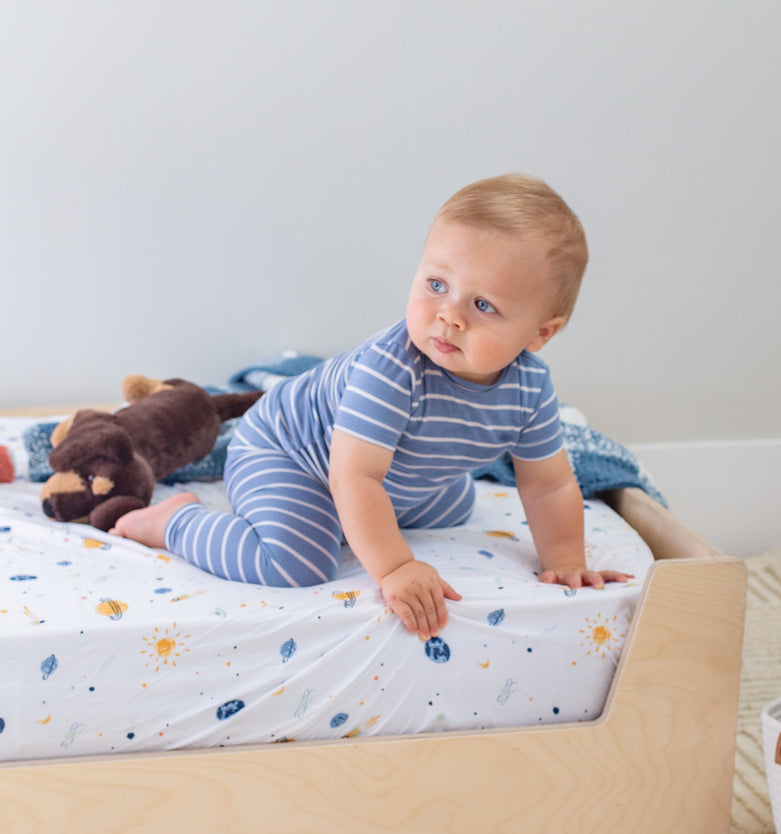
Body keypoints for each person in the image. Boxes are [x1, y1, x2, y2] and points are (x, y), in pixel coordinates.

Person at [111, 173, 632, 640]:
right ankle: (176, 523)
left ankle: (349, 520)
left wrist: (565, 561)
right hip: (288, 454)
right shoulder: (393, 370)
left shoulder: (530, 388)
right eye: (436, 285)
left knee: (458, 503)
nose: (449, 316)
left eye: (483, 305)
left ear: (541, 333)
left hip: (381, 474)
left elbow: (549, 483)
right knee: (297, 561)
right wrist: (395, 568)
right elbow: (354, 477)